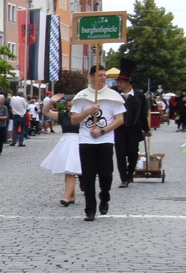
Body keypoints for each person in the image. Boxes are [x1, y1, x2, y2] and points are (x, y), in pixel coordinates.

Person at [72, 70, 124, 221]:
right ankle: (90, 209)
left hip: (105, 140)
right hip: (86, 140)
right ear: (91, 77)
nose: (103, 78)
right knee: (88, 176)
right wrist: (89, 110)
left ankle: (105, 195)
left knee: (106, 174)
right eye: (100, 75)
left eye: (105, 75)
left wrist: (102, 131)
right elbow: (74, 119)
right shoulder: (82, 96)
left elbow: (119, 119)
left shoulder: (112, 96)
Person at [41, 86, 82, 206]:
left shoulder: (82, 116)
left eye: (73, 106)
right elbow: (46, 112)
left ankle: (67, 196)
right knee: (68, 170)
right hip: (65, 143)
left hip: (77, 143)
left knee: (71, 171)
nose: (71, 108)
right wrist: (51, 101)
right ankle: (71, 195)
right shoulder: (62, 115)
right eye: (69, 106)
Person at [112, 69, 149, 187]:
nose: (118, 84)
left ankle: (130, 173)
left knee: (133, 153)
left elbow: (143, 113)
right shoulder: (115, 95)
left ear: (128, 83)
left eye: (121, 82)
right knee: (120, 153)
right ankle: (124, 178)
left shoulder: (139, 95)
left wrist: (146, 129)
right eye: (118, 82)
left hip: (134, 128)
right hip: (119, 128)